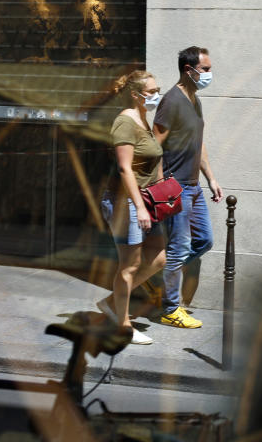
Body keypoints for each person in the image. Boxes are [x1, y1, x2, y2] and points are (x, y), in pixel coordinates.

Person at [152, 46, 224, 328]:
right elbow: (154, 146)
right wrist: (161, 187)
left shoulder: (194, 100)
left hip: (193, 186)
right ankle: (170, 308)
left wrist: (211, 178)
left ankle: (158, 277)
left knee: (204, 240)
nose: (209, 74)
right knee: (179, 247)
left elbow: (199, 143)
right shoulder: (171, 101)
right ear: (188, 69)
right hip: (175, 186)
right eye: (205, 69)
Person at [96, 69, 169, 344]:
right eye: (151, 92)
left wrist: (162, 197)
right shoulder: (124, 122)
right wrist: (139, 207)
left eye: (156, 89)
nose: (155, 95)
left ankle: (112, 303)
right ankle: (123, 326)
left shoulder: (143, 119)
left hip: (147, 200)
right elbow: (125, 169)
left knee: (158, 258)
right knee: (130, 265)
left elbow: (152, 162)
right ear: (136, 95)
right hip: (126, 202)